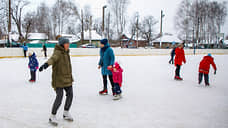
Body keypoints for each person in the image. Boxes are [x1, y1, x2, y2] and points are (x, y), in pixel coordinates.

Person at [39, 37, 74, 126]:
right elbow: (53, 59)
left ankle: (66, 112)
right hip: (58, 79)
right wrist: (46, 64)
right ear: (62, 44)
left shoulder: (66, 53)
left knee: (70, 94)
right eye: (67, 43)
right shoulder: (58, 53)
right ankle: (52, 116)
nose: (68, 45)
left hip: (67, 78)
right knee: (60, 96)